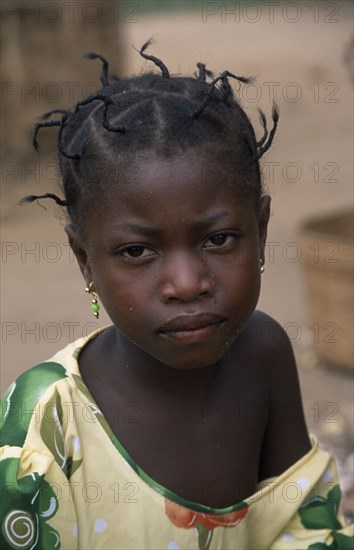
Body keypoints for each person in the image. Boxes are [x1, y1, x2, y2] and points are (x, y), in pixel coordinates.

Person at [1, 40, 352, 550]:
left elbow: (300, 524)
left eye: (218, 239)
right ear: (85, 260)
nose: (188, 284)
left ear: (261, 229)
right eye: (137, 251)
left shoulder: (264, 354)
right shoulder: (46, 423)